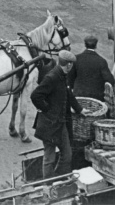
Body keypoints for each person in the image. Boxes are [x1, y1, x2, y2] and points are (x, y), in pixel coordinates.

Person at [31, 50, 82, 178]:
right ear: (69, 65)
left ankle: (59, 178)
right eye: (71, 64)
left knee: (67, 154)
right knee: (49, 158)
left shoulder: (62, 76)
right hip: (49, 125)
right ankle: (47, 186)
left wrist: (79, 109)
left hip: (60, 124)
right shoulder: (52, 77)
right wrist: (47, 109)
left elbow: (68, 94)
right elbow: (35, 96)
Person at [68, 35, 115, 101]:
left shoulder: (76, 59)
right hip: (97, 99)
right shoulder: (101, 61)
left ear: (85, 45)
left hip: (78, 97)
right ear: (96, 45)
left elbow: (70, 79)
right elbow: (110, 80)